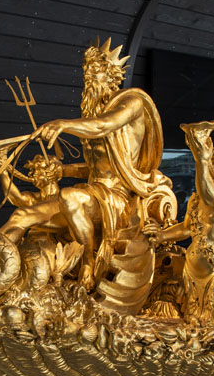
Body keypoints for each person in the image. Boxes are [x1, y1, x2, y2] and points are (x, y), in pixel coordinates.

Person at [34, 38, 176, 289]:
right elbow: (95, 167)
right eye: (86, 70)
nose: (88, 75)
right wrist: (61, 170)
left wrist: (64, 124)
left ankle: (88, 262)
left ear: (111, 75)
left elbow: (103, 126)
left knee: (69, 196)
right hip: (93, 193)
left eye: (95, 70)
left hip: (118, 198)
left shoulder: (131, 104)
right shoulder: (92, 116)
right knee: (26, 214)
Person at [145, 120, 214, 327]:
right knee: (194, 322)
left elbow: (211, 197)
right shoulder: (196, 198)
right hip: (192, 270)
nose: (213, 169)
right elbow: (186, 228)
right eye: (212, 165)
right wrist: (162, 235)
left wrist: (201, 158)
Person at [0, 147, 86, 244]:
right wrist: (1, 168)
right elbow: (15, 197)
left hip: (58, 248)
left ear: (52, 171)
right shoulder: (33, 199)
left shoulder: (68, 198)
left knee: (20, 215)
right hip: (36, 248)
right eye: (32, 171)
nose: (33, 174)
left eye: (38, 169)